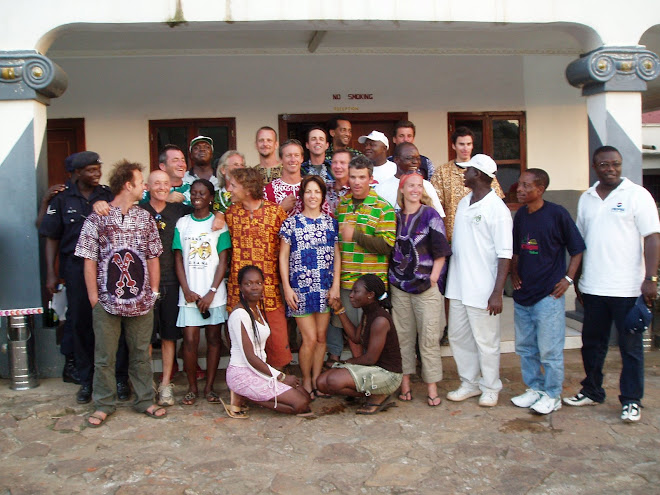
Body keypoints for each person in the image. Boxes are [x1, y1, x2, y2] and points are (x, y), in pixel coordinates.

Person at [564, 146, 660, 423]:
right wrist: (578, 281)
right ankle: (592, 390)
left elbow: (652, 237)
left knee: (631, 349)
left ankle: (631, 400)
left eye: (615, 164)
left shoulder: (637, 195)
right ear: (595, 166)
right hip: (594, 288)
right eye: (604, 164)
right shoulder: (587, 198)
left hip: (628, 290)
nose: (611, 169)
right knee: (592, 345)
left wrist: (650, 278)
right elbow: (580, 243)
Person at [75, 160, 166, 427]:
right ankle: (104, 404)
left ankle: (145, 400)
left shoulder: (144, 217)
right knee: (105, 356)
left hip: (141, 300)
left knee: (140, 352)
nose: (145, 186)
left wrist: (154, 292)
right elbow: (88, 259)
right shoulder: (97, 217)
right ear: (128, 185)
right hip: (106, 301)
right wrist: (94, 298)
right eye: (141, 182)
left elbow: (153, 256)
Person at [39, 151, 130, 404]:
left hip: (109, 268)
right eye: (90, 170)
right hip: (76, 269)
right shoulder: (61, 199)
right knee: (80, 324)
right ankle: (87, 381)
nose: (96, 173)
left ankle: (120, 378)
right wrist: (50, 273)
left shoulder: (107, 195)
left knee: (115, 324)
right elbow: (51, 237)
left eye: (98, 168)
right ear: (77, 173)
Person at [510, 168, 585, 414]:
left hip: (549, 296)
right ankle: (534, 389)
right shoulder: (521, 215)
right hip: (524, 295)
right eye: (519, 185)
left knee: (550, 349)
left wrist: (568, 279)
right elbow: (517, 250)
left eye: (525, 186)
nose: (519, 189)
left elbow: (577, 249)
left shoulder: (557, 214)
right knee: (526, 347)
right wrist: (515, 273)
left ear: (540, 189)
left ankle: (553, 395)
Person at [444, 154, 512, 408]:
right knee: (459, 337)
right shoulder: (464, 203)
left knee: (486, 341)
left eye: (468, 170)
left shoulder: (498, 209)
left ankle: (491, 386)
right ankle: (469, 383)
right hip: (459, 285)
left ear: (480, 175)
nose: (463, 173)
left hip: (483, 288)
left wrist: (497, 293)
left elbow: (505, 254)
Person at [430, 126, 505, 345]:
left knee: (478, 287)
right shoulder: (442, 172)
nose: (465, 148)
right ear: (453, 146)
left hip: (480, 244)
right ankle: (449, 327)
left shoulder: (482, 169)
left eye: (469, 144)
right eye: (461, 144)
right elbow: (434, 205)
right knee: (451, 288)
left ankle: (476, 327)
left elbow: (496, 199)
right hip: (450, 241)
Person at [389, 171, 451, 406]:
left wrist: (434, 276)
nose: (415, 189)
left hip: (426, 287)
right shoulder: (394, 217)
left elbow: (441, 251)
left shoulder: (430, 215)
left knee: (428, 340)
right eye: (410, 185)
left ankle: (432, 387)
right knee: (403, 338)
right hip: (400, 287)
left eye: (419, 186)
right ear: (402, 189)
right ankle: (405, 384)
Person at [279, 176, 341, 398]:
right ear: (302, 195)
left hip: (324, 287)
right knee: (310, 338)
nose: (312, 196)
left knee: (322, 338)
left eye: (317, 192)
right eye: (308, 191)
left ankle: (316, 380)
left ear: (322, 195)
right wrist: (287, 287)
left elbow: (336, 255)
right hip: (301, 289)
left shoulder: (330, 222)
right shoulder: (291, 223)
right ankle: (306, 380)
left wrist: (335, 286)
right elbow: (283, 256)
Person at [225, 167, 292, 370]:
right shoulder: (230, 214)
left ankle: (276, 388)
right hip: (240, 291)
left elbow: (287, 251)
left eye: (233, 185)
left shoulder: (275, 212)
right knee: (242, 342)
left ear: (247, 188)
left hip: (269, 289)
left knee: (277, 343)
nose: (229, 189)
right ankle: (246, 391)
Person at [225, 265, 312, 417]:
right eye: (248, 283)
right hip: (243, 374)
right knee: (301, 404)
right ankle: (246, 395)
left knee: (306, 397)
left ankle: (248, 396)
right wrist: (281, 377)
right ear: (240, 287)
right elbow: (250, 357)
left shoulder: (256, 309)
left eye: (258, 283)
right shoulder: (239, 314)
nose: (254, 287)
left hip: (260, 371)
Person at [173, 179, 231, 405]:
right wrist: (186, 289)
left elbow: (223, 262)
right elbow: (178, 258)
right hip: (189, 294)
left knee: (214, 339)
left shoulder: (219, 225)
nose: (197, 196)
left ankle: (209, 387)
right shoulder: (182, 223)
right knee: (189, 340)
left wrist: (212, 292)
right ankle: (191, 388)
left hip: (213, 294)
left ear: (210, 197)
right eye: (193, 192)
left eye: (202, 193)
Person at [332, 155, 396, 359]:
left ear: (371, 178)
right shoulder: (342, 206)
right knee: (352, 333)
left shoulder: (383, 208)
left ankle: (373, 379)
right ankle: (359, 375)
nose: (357, 182)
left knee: (372, 332)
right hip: (347, 282)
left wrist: (357, 236)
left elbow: (387, 246)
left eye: (361, 177)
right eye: (353, 177)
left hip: (371, 285)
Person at [140, 170, 193, 406]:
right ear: (147, 187)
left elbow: (205, 212)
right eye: (156, 183)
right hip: (144, 282)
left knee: (169, 336)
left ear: (171, 186)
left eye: (165, 183)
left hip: (172, 280)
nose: (161, 187)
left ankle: (165, 384)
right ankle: (146, 383)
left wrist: (220, 217)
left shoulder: (179, 210)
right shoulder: (139, 210)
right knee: (146, 337)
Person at [317, 274, 403, 415]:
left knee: (332, 380)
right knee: (321, 382)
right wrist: (340, 310)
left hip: (388, 375)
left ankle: (378, 395)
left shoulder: (380, 320)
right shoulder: (368, 312)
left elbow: (370, 359)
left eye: (356, 291)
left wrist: (345, 363)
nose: (351, 295)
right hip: (374, 369)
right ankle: (373, 394)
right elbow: (356, 338)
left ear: (370, 295)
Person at [374, 142, 445, 215]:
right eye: (409, 158)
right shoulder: (381, 189)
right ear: (396, 160)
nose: (415, 162)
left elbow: (439, 217)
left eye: (418, 158)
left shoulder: (427, 185)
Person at [325, 149, 352, 214]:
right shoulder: (324, 188)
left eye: (342, 163)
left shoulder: (356, 190)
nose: (337, 166)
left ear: (351, 166)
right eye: (334, 162)